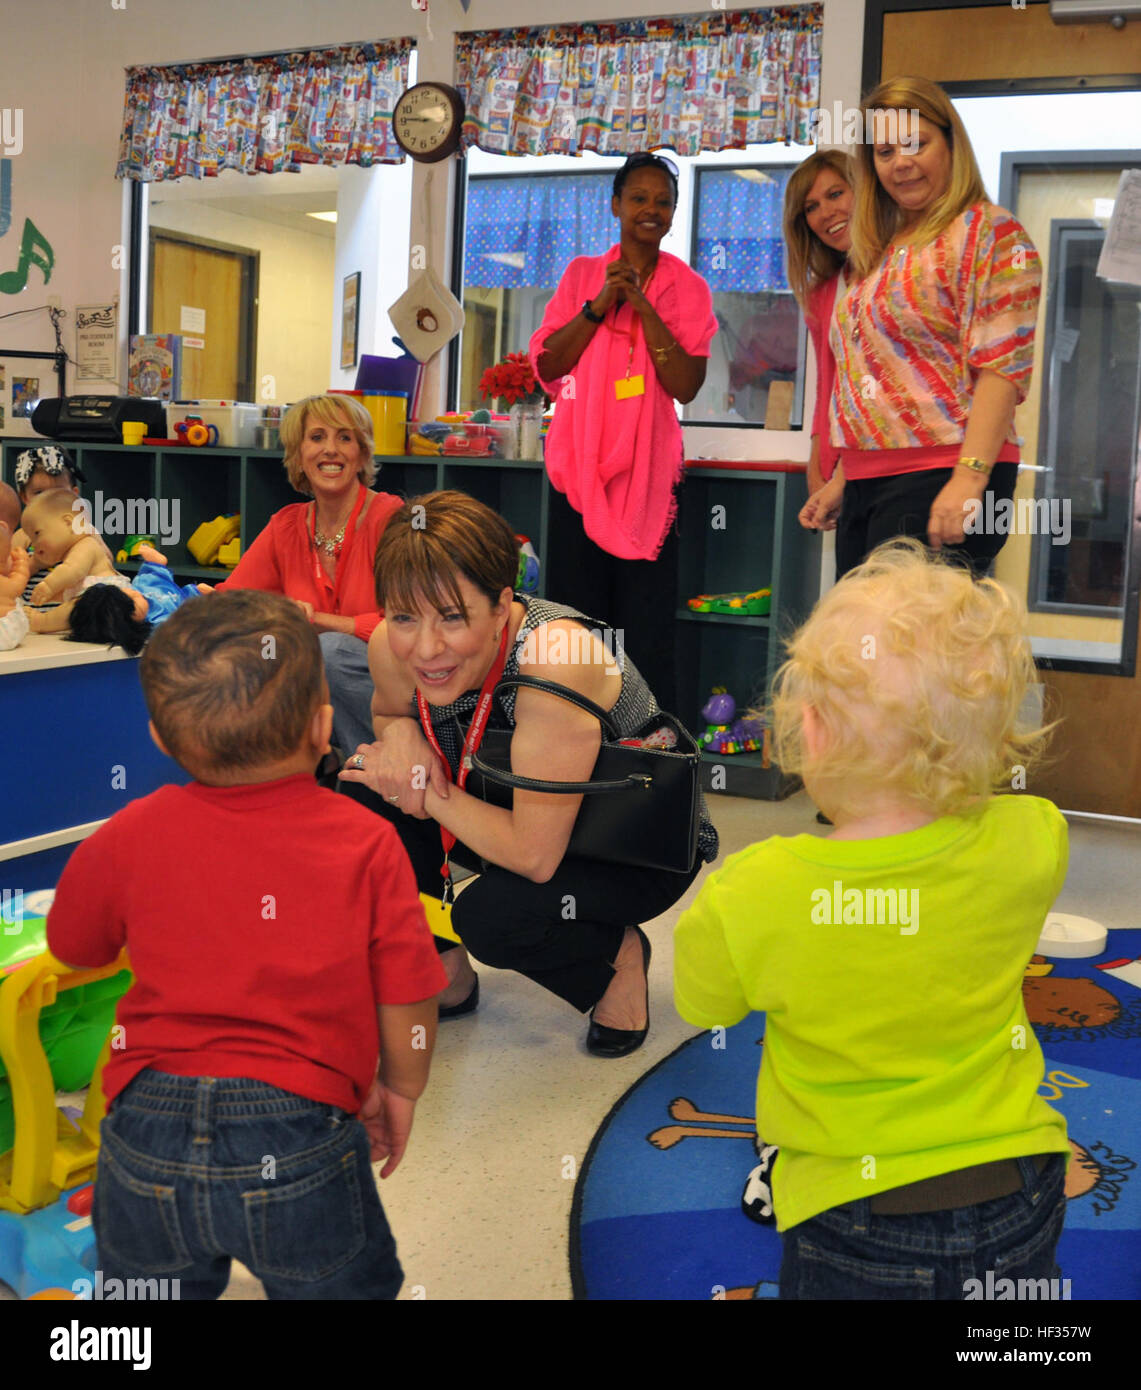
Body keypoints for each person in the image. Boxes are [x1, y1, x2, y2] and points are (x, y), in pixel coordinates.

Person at [674, 538, 1069, 1299]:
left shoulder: (755, 892)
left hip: (849, 1207)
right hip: (1020, 1180)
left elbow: (704, 1003)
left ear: (810, 731)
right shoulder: (1033, 837)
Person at [46, 589, 446, 1300]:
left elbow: (75, 946)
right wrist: (402, 1087)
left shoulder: (129, 833)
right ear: (324, 729)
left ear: (161, 739)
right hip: (299, 1129)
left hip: (143, 1131)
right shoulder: (365, 841)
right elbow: (408, 989)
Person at [339, 490, 719, 1059]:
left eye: (451, 616)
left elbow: (534, 855)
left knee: (492, 917)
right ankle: (442, 967)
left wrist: (426, 793)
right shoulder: (389, 649)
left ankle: (615, 956)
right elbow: (392, 715)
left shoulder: (556, 656)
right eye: (403, 616)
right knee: (360, 795)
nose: (425, 647)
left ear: (501, 605)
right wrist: (400, 749)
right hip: (498, 810)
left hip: (633, 845)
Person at [799, 77, 1042, 578]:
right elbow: (877, 380)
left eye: (916, 143)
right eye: (885, 152)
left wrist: (969, 479)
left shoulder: (990, 231)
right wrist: (843, 480)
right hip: (868, 482)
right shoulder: (880, 252)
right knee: (862, 651)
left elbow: (1002, 368)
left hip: (942, 473)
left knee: (913, 650)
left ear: (950, 142)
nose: (900, 162)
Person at [528, 152, 718, 713]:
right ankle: (573, 738)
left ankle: (650, 755)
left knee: (644, 629)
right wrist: (601, 304)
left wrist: (643, 306)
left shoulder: (688, 288)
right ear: (616, 205)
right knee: (577, 625)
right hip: (579, 478)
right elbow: (549, 365)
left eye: (663, 201)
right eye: (639, 198)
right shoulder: (583, 275)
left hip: (649, 483)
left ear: (673, 213)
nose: (650, 210)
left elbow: (684, 384)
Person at [215, 393, 403, 755]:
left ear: (362, 454)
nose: (330, 450)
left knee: (329, 650)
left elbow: (410, 623)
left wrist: (320, 622)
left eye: (345, 438)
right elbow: (232, 598)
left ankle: (378, 775)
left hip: (393, 679)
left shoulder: (391, 519)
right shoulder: (286, 525)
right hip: (315, 682)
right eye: (317, 438)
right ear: (298, 456)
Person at [781, 149, 855, 502]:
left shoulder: (902, 272)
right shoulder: (822, 295)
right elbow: (827, 384)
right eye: (811, 207)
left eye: (836, 194)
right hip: (838, 463)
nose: (826, 212)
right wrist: (816, 463)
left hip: (892, 463)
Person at [11, 444, 84, 605]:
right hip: (30, 610)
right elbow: (10, 577)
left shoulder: (80, 530)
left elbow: (104, 558)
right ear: (24, 498)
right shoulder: (23, 537)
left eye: (58, 492)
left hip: (71, 608)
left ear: (74, 496)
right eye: (39, 493)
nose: (49, 501)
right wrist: (36, 564)